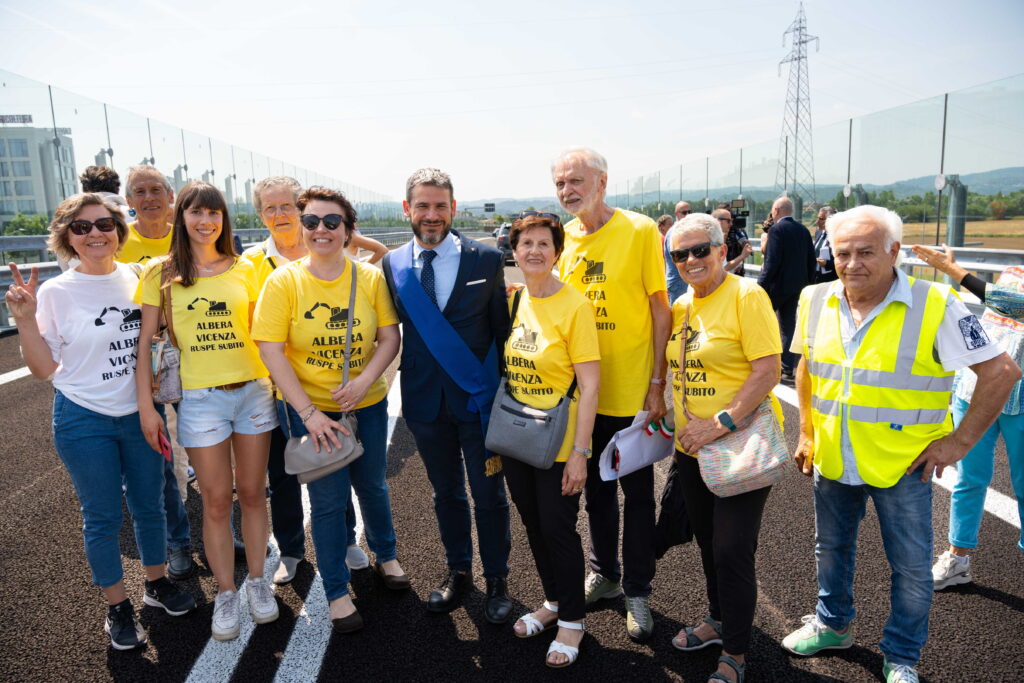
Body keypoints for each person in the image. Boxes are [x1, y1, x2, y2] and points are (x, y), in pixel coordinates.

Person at [784, 206, 1020, 683]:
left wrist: (960, 442)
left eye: (866, 252)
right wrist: (807, 430)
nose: (852, 264)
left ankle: (902, 656)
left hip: (904, 464)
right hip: (833, 457)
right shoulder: (815, 297)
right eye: (843, 253)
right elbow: (808, 366)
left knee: (911, 570)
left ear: (894, 251)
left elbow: (1001, 372)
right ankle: (832, 626)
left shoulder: (936, 304)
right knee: (829, 550)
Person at [4, 193, 197, 650]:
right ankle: (117, 607)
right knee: (103, 516)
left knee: (150, 505)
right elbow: (44, 370)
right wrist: (26, 321)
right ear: (67, 238)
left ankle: (155, 584)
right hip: (83, 416)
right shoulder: (55, 291)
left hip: (141, 413)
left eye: (104, 225)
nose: (95, 234)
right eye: (82, 227)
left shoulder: (137, 277)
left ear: (118, 231)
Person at [254, 186, 408, 634]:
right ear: (301, 229)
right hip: (311, 412)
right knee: (325, 503)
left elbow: (389, 337)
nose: (321, 230)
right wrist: (309, 413)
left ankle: (387, 554)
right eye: (312, 222)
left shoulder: (369, 278)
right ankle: (337, 593)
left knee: (372, 485)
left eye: (332, 222)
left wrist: (363, 381)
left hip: (367, 406)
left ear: (348, 230)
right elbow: (271, 349)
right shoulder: (283, 281)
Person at [134, 181, 280, 641]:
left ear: (224, 219)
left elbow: (267, 334)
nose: (206, 221)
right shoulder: (160, 272)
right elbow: (145, 349)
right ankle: (226, 592)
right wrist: (147, 408)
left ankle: (258, 582)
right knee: (217, 500)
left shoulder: (248, 268)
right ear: (182, 216)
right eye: (197, 212)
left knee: (254, 493)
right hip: (199, 400)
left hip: (254, 391)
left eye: (214, 213)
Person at [381, 168, 513, 623]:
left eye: (440, 206)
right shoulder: (392, 263)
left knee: (489, 495)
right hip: (423, 401)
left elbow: (502, 330)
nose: (431, 215)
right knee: (446, 494)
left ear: (454, 208)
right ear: (407, 209)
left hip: (477, 401)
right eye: (422, 206)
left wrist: (505, 395)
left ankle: (498, 579)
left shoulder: (487, 259)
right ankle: (459, 572)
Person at [552, 147, 671, 641]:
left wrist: (657, 382)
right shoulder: (563, 239)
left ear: (602, 181)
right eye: (559, 183)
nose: (567, 191)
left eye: (575, 180)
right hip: (584, 394)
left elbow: (660, 309)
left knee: (638, 496)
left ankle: (638, 590)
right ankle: (604, 574)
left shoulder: (640, 230)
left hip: (632, 391)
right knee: (595, 493)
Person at [664, 213, 782, 683]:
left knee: (733, 547)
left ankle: (736, 651)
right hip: (690, 447)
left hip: (738, 442)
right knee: (709, 543)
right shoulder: (680, 304)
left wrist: (721, 421)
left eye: (700, 250)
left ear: (720, 249)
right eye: (680, 254)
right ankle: (718, 619)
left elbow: (767, 370)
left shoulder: (747, 296)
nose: (691, 260)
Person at [502, 212, 600, 668]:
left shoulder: (575, 306)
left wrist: (580, 454)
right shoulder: (517, 300)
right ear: (515, 252)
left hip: (559, 442)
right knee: (533, 526)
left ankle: (573, 623)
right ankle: (554, 602)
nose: (535, 251)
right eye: (527, 244)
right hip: (519, 436)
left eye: (544, 244)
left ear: (557, 253)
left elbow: (591, 386)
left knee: (559, 530)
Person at [910, 244, 1024, 589]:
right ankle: (957, 558)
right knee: (969, 479)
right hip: (975, 391)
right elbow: (992, 313)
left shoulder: (1005, 285)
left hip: (1020, 397)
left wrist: (952, 270)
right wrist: (959, 277)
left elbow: (1008, 303)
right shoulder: (1013, 270)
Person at [116, 165, 196, 581]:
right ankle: (178, 542)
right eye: (138, 192)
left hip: (191, 356)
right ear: (128, 200)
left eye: (156, 190)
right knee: (160, 454)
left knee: (206, 446)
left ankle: (225, 529)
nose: (148, 198)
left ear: (171, 195)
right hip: (137, 357)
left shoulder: (188, 233)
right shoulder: (114, 240)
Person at [756, 197, 814, 381]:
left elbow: (771, 262)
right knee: (789, 326)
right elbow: (811, 260)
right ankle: (787, 366)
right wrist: (809, 284)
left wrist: (760, 286)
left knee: (760, 322)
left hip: (777, 286)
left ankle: (759, 361)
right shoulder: (803, 230)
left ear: (776, 210)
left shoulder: (776, 230)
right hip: (798, 286)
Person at [665, 200, 692, 302]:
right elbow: (677, 258)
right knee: (679, 315)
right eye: (684, 212)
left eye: (690, 212)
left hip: (681, 281)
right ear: (676, 214)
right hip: (678, 282)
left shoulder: (680, 231)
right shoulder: (675, 232)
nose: (688, 215)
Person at [713, 208, 752, 277]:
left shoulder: (715, 237)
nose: (731, 224)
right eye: (728, 221)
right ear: (718, 221)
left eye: (732, 221)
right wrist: (742, 256)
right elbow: (724, 268)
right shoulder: (713, 240)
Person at [813, 206, 838, 283]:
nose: (817, 222)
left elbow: (842, 261)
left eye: (821, 219)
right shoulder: (818, 233)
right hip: (815, 277)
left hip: (829, 280)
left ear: (830, 220)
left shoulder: (837, 237)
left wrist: (826, 263)